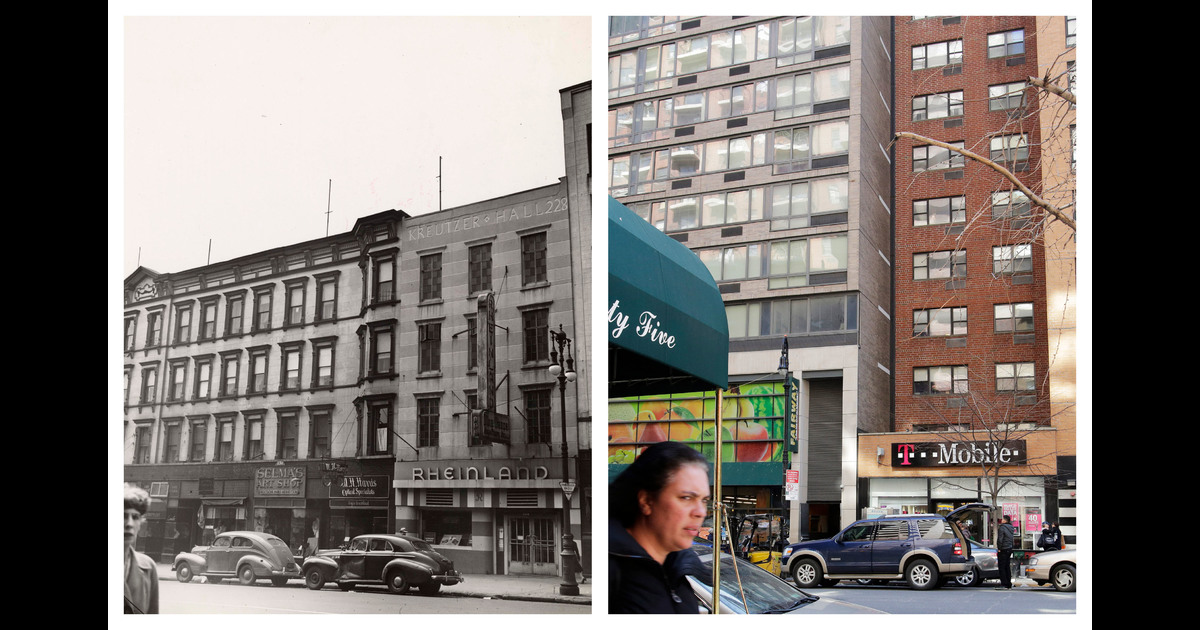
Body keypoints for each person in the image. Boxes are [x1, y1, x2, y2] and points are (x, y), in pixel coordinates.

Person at [609, 441, 709, 614]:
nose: (701, 512)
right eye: (686, 497)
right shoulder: (613, 575)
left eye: (704, 500)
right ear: (647, 501)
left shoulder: (678, 574)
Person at [124, 483, 160, 614]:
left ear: (140, 523)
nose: (129, 524)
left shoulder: (148, 567)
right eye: (123, 516)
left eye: (135, 517)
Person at [995, 514, 1015, 590]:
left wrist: (999, 548)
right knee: (1007, 566)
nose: (1001, 520)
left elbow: (1000, 539)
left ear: (1005, 520)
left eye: (1002, 519)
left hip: (1003, 548)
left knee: (1002, 567)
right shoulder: (1011, 528)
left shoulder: (1002, 527)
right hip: (1009, 548)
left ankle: (1004, 583)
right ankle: (1008, 583)